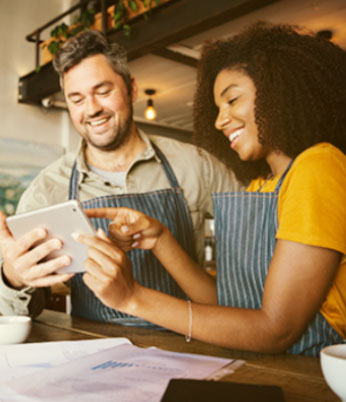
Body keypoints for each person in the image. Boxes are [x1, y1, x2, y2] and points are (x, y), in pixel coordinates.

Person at [74, 22, 346, 355]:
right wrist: (160, 239)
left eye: (232, 100)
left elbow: (276, 329)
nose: (220, 120)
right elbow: (230, 306)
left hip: (310, 377)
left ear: (279, 91)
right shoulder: (263, 186)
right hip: (263, 369)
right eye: (217, 108)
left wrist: (133, 298)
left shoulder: (318, 167)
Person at [0, 30, 240, 324]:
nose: (92, 109)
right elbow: (23, 313)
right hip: (96, 353)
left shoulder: (195, 165)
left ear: (132, 89)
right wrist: (11, 277)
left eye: (103, 91)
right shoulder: (47, 189)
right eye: (76, 99)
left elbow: (255, 252)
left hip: (194, 346)